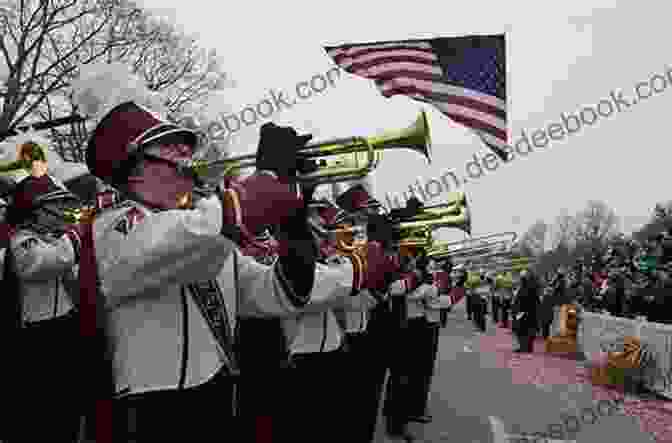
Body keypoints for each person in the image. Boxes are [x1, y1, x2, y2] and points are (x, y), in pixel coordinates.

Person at [0, 140, 86, 442]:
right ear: (34, 210)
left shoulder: (52, 236)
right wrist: (76, 238)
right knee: (39, 415)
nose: (63, 211)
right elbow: (39, 264)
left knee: (66, 411)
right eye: (55, 205)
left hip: (63, 328)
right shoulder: (22, 239)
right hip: (34, 338)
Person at [512, 270, 541, 353]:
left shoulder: (526, 287)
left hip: (523, 311)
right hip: (530, 311)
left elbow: (521, 299)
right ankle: (527, 347)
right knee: (528, 330)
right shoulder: (533, 286)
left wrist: (518, 310)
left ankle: (524, 347)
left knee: (521, 329)